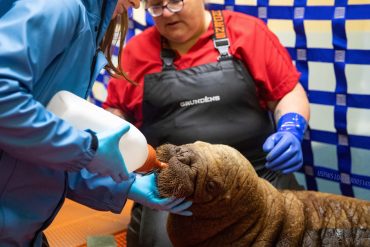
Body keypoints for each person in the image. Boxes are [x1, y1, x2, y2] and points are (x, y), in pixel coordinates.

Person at [104, 0, 310, 246]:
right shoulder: (136, 52)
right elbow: (116, 111)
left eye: (175, 2)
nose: (168, 13)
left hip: (260, 177)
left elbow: (286, 93)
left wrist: (291, 130)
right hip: (175, 188)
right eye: (157, 7)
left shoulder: (248, 32)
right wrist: (119, 147)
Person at [0, 0, 192, 246]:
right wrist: (86, 148)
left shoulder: (87, 33)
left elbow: (42, 150)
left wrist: (124, 185)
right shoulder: (59, 7)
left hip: (22, 231)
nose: (136, 4)